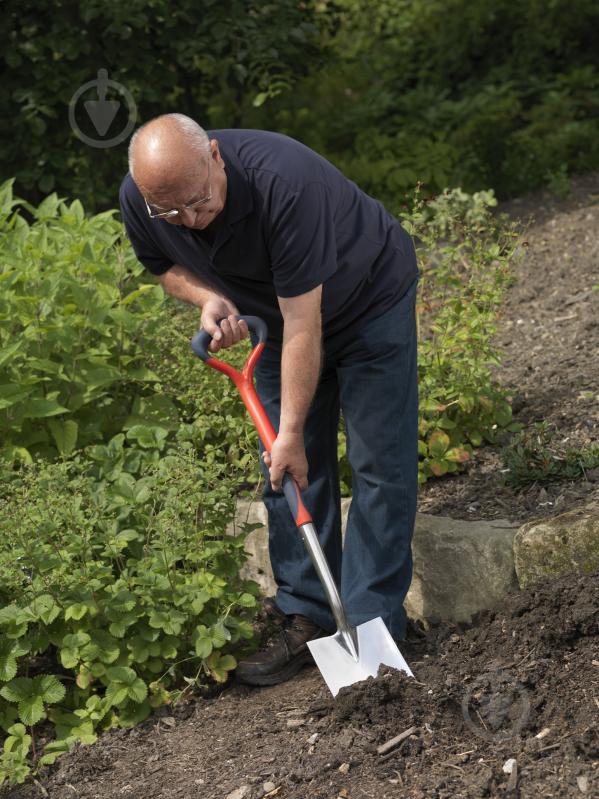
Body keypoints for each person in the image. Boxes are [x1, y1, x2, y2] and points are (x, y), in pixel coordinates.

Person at [119, 113, 419, 686]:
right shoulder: (145, 198)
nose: (189, 218)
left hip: (366, 302)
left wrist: (291, 431)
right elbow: (163, 267)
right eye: (171, 211)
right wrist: (209, 296)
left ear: (215, 155)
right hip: (274, 324)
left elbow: (304, 323)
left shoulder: (284, 183)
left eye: (198, 201)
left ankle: (372, 623)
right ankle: (306, 612)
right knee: (286, 471)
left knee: (379, 463)